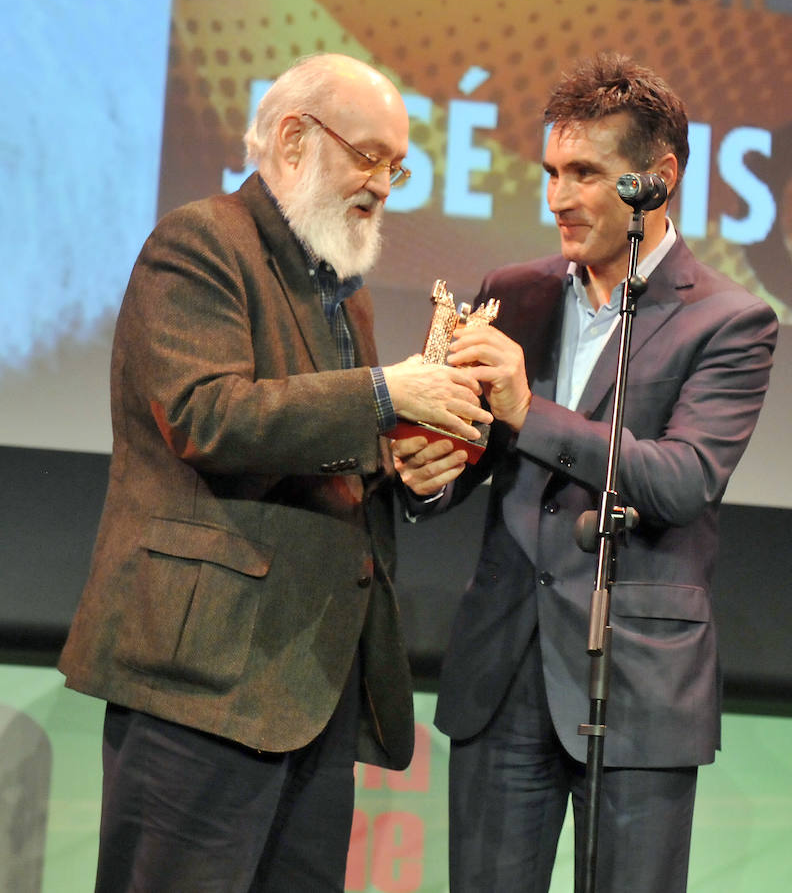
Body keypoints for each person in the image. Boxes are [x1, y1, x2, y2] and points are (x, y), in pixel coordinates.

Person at [58, 52, 492, 892]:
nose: (384, 184)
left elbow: (330, 446)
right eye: (370, 156)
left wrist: (406, 462)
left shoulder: (343, 290)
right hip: (205, 683)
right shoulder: (200, 242)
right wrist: (381, 394)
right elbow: (206, 416)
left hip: (310, 686)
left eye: (396, 166)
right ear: (294, 139)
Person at [392, 52, 778, 892]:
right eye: (551, 172)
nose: (559, 197)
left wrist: (528, 409)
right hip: (503, 676)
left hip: (635, 684)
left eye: (586, 174)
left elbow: (680, 481)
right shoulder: (514, 292)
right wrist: (429, 471)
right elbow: (480, 454)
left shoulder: (731, 321)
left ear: (658, 179)